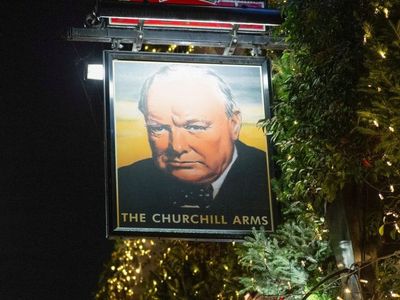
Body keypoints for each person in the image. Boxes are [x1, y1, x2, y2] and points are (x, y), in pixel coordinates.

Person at [118, 65, 270, 224]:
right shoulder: (125, 184)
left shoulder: (270, 177)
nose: (177, 147)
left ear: (234, 125)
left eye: (195, 127)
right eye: (158, 128)